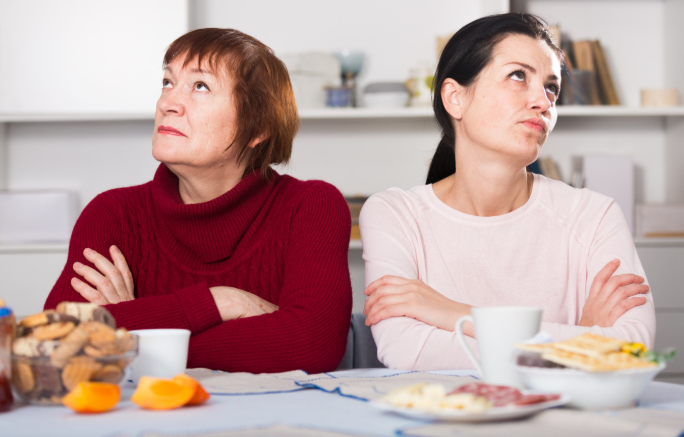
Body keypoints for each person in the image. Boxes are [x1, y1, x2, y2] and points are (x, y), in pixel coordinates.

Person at [44, 28, 352, 374]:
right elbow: (56, 341)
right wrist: (217, 301)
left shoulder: (311, 206)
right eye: (167, 82)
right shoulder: (112, 214)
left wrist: (131, 337)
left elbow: (311, 344)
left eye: (200, 86)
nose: (167, 103)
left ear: (257, 127)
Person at [360, 13, 655, 370]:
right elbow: (409, 353)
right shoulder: (394, 215)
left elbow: (631, 351)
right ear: (455, 98)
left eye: (552, 87)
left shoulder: (594, 215)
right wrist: (582, 338)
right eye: (518, 75)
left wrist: (452, 313)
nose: (544, 102)